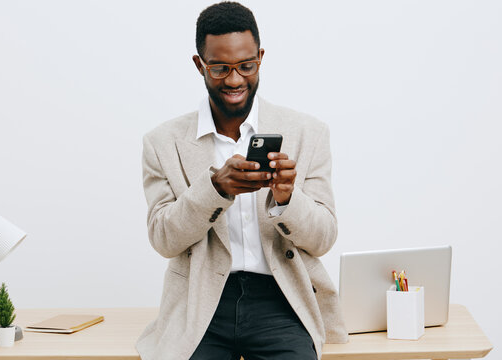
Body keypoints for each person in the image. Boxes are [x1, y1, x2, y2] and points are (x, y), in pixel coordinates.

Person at [136, 2, 348, 359]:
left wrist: (287, 199)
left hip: (282, 299)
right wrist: (214, 189)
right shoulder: (162, 143)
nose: (234, 80)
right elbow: (163, 239)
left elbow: (324, 238)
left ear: (260, 58)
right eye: (219, 68)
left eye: (245, 66)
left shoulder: (308, 133)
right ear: (199, 64)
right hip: (201, 303)